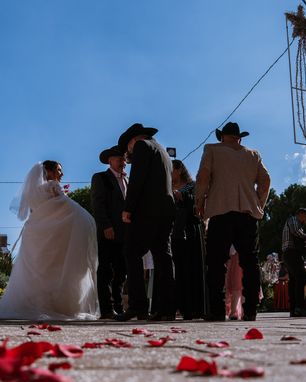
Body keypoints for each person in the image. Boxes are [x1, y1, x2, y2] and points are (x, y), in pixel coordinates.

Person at [0, 161, 99, 320]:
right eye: (58, 170)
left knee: (39, 270)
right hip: (55, 235)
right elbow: (68, 208)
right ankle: (58, 306)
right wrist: (87, 219)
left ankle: (35, 304)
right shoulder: (53, 186)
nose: (61, 174)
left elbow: (34, 213)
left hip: (36, 233)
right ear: (48, 172)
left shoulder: (33, 191)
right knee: (55, 269)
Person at [195, 122, 270, 322]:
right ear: (240, 138)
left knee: (216, 263)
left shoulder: (211, 150)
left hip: (221, 211)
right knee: (250, 262)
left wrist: (199, 202)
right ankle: (251, 309)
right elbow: (265, 181)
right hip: (247, 214)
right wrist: (258, 204)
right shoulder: (253, 155)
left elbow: (203, 177)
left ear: (222, 137)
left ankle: (217, 310)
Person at [116, 123, 176, 322]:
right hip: (166, 209)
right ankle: (167, 308)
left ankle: (137, 306)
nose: (128, 154)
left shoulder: (142, 146)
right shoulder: (163, 151)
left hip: (148, 210)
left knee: (131, 252)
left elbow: (137, 179)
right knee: (163, 257)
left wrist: (128, 208)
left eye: (127, 149)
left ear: (133, 141)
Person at [90, 147, 128, 319]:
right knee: (105, 270)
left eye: (124, 159)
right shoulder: (101, 178)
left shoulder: (129, 179)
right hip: (108, 231)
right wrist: (106, 226)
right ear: (110, 161)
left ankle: (119, 307)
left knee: (122, 270)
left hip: (125, 233)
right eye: (120, 159)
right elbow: (98, 204)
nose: (123, 162)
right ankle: (106, 309)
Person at [171, 159, 206, 319]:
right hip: (176, 233)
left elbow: (197, 202)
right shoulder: (168, 189)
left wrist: (182, 195)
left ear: (178, 170)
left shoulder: (192, 186)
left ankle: (196, 307)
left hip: (191, 231)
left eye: (170, 170)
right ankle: (183, 307)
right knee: (179, 270)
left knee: (193, 268)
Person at [282, 208, 306, 317]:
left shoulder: (297, 224)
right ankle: (299, 307)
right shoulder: (293, 220)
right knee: (301, 278)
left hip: (290, 253)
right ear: (300, 214)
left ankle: (294, 309)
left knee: (294, 281)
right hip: (291, 253)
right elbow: (295, 231)